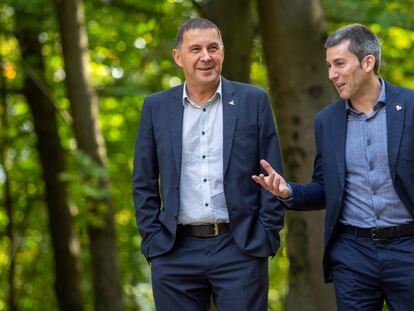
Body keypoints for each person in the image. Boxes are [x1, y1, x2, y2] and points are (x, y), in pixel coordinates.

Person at [253, 24, 414, 310]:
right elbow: (325, 189)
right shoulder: (326, 122)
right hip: (352, 255)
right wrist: (287, 191)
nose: (331, 75)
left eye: (339, 64)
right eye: (328, 66)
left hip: (408, 249)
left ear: (368, 62)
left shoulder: (411, 107)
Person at [133, 17, 284, 311]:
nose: (206, 57)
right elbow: (144, 181)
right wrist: (153, 241)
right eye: (196, 49)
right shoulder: (156, 108)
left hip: (240, 249)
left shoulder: (254, 101)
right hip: (174, 251)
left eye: (213, 48)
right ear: (178, 57)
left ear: (223, 53)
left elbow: (273, 174)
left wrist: (266, 235)